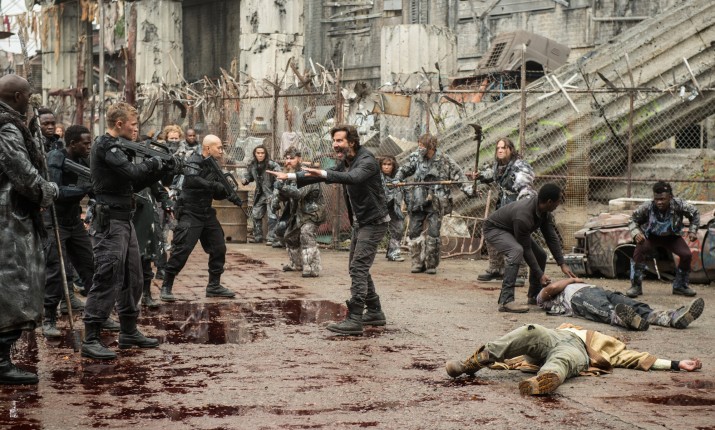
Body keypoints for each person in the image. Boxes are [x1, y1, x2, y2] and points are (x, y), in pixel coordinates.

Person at [268, 125, 389, 336]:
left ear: (352, 142)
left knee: (358, 268)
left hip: (374, 222)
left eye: (339, 140)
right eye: (334, 141)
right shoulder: (348, 161)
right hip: (361, 222)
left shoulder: (367, 161)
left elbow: (353, 178)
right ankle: (375, 311)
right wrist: (291, 177)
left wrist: (324, 173)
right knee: (356, 266)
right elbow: (323, 175)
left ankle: (355, 319)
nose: (335, 145)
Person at [83, 102, 176, 360]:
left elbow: (135, 183)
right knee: (107, 276)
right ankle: (91, 338)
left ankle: (128, 331)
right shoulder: (106, 146)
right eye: (133, 125)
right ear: (119, 124)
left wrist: (162, 168)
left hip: (125, 219)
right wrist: (154, 162)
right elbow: (132, 173)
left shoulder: (120, 147)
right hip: (110, 222)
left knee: (133, 277)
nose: (136, 129)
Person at [445, 323, 703, 396]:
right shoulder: (566, 326)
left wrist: (676, 363)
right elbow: (535, 337)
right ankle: (474, 362)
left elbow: (636, 358)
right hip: (553, 336)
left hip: (576, 349)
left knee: (563, 359)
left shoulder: (603, 343)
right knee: (530, 330)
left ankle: (545, 381)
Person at [0, 74, 59, 384]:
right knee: (14, 287)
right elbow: (24, 176)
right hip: (9, 220)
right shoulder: (7, 128)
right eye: (28, 95)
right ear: (18, 97)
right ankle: (0, 362)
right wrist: (48, 190)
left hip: (11, 217)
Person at [160, 134, 238, 302]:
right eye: (219, 147)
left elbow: (216, 195)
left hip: (206, 212)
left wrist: (225, 191)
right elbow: (193, 179)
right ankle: (166, 286)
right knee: (182, 250)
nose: (221, 151)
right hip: (190, 212)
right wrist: (214, 185)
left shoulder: (214, 166)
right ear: (207, 148)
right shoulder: (194, 160)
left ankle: (214, 286)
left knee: (219, 248)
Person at [482, 183, 575, 313]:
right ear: (549, 202)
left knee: (541, 255)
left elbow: (551, 237)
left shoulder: (544, 212)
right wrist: (540, 274)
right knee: (516, 251)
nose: (559, 204)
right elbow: (526, 249)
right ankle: (506, 301)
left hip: (512, 229)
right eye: (559, 200)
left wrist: (562, 263)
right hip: (494, 229)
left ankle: (534, 296)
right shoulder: (524, 216)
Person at [393, 133, 475, 275]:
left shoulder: (444, 159)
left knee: (433, 232)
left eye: (422, 146)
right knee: (414, 231)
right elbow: (405, 169)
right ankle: (417, 262)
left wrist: (469, 190)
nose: (419, 148)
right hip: (418, 199)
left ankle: (431, 264)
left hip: (437, 200)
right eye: (419, 145)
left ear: (431, 146)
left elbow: (459, 175)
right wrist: (397, 179)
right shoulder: (415, 157)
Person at [42, 125, 95, 337]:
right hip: (55, 220)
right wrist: (85, 189)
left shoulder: (84, 160)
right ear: (73, 143)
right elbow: (55, 191)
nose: (89, 147)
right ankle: (49, 318)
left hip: (74, 221)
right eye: (85, 143)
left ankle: (97, 314)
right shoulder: (56, 157)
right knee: (56, 270)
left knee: (89, 266)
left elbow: (94, 185)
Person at [467, 138, 535, 284]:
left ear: (510, 149)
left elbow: (526, 188)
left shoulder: (520, 166)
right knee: (490, 228)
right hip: (503, 206)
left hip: (517, 207)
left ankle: (520, 274)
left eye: (503, 148)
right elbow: (492, 174)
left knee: (517, 237)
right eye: (498, 148)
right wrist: (479, 176)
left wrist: (522, 210)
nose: (500, 150)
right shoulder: (499, 165)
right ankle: (496, 269)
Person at [537, 277, 704, 331]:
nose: (547, 278)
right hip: (578, 298)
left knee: (633, 305)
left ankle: (671, 317)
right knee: (605, 310)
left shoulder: (564, 283)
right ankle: (628, 321)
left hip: (596, 290)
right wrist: (573, 279)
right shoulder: (542, 297)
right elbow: (552, 288)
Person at [628, 181, 699, 298]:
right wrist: (636, 233)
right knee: (638, 253)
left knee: (686, 255)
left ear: (670, 197)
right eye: (656, 199)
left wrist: (693, 230)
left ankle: (680, 286)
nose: (659, 202)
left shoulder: (679, 204)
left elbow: (695, 213)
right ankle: (636, 286)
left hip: (672, 236)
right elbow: (632, 219)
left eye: (662, 199)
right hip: (651, 236)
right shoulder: (647, 206)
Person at [274, 146, 325, 277]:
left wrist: (282, 187)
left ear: (299, 159)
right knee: (290, 237)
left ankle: (312, 268)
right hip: (297, 213)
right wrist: (277, 197)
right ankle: (296, 264)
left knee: (306, 234)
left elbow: (299, 193)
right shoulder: (288, 174)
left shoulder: (306, 174)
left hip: (311, 213)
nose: (288, 161)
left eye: (292, 158)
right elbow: (285, 195)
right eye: (286, 158)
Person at [241, 145, 281, 245]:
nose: (260, 155)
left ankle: (271, 238)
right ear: (255, 154)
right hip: (260, 193)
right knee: (256, 213)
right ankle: (257, 236)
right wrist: (245, 180)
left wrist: (277, 191)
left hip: (271, 193)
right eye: (258, 153)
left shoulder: (272, 165)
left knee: (272, 215)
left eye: (262, 153)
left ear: (265, 154)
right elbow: (249, 175)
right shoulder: (252, 165)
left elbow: (279, 176)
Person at [380, 155, 405, 262]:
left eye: (389, 164)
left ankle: (393, 253)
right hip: (379, 207)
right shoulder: (377, 177)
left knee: (399, 228)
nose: (386, 167)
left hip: (394, 207)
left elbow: (407, 190)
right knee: (374, 231)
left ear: (393, 166)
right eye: (384, 164)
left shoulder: (399, 177)